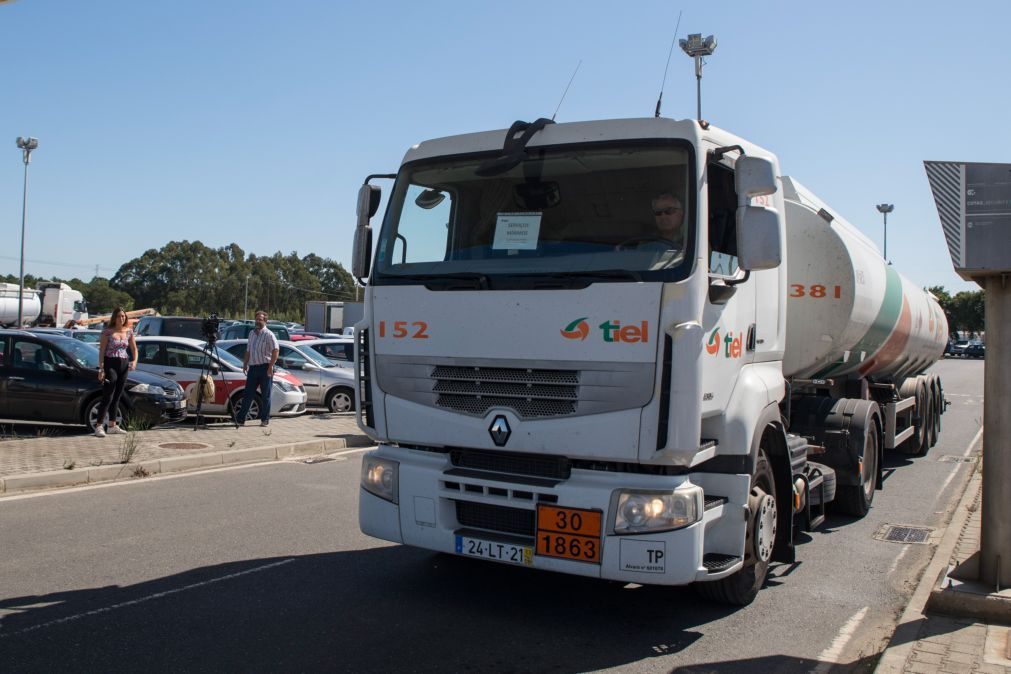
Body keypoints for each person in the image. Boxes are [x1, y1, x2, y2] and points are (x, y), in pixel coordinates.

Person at [94, 307, 137, 438]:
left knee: (118, 395)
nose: (121, 318)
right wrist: (101, 369)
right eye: (119, 316)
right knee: (108, 394)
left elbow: (134, 349)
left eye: (123, 316)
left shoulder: (128, 332)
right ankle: (99, 425)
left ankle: (112, 425)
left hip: (123, 363)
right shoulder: (107, 332)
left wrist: (134, 361)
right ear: (114, 317)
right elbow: (101, 351)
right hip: (110, 363)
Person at [237, 310, 279, 427]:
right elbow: (248, 350)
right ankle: (241, 419)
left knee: (266, 395)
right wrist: (245, 364)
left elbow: (276, 350)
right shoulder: (251, 333)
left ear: (265, 321)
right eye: (256, 319)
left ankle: (265, 419)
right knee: (248, 394)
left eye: (260, 319)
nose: (258, 321)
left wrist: (271, 367)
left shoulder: (269, 334)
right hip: (253, 369)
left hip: (265, 368)